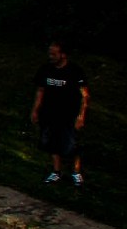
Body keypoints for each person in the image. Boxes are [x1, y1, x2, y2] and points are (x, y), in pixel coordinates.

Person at [32, 40, 90, 185]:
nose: (51, 56)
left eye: (54, 54)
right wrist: (35, 110)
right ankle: (56, 171)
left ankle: (76, 172)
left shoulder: (75, 71)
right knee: (51, 143)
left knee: (72, 145)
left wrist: (81, 116)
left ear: (63, 55)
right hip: (49, 112)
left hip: (69, 114)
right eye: (49, 53)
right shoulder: (45, 69)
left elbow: (85, 95)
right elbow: (40, 91)